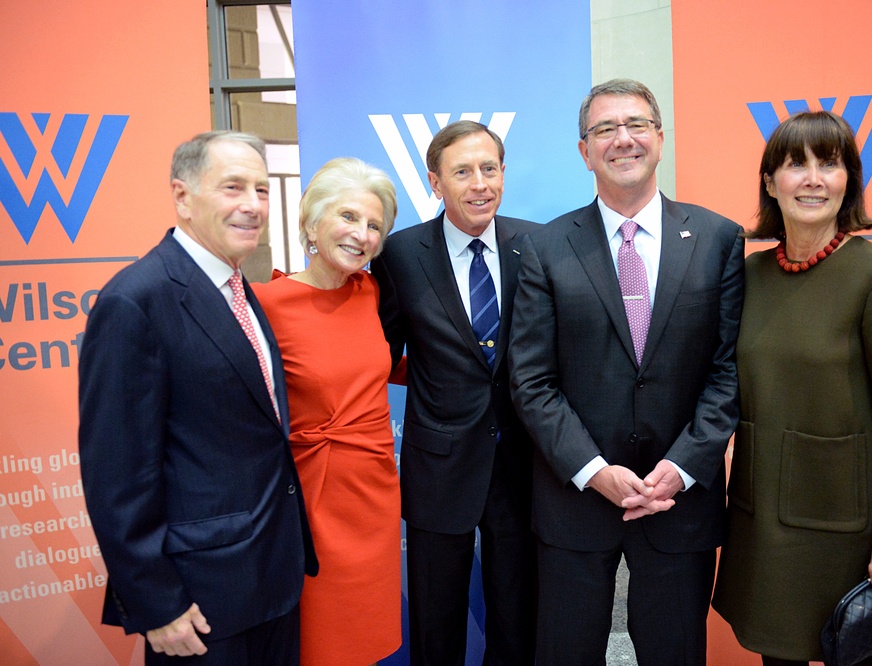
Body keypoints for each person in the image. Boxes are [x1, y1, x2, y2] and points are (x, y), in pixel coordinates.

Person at [508, 79, 744, 665]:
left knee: (675, 653)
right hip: (575, 499)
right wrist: (592, 471)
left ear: (660, 139)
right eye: (605, 129)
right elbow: (531, 381)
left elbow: (728, 371)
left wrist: (683, 467)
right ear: (584, 150)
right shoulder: (545, 247)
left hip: (678, 501)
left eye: (636, 124)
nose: (623, 139)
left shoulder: (718, 240)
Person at [78, 130, 318, 665]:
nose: (253, 205)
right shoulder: (135, 301)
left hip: (271, 579)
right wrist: (156, 603)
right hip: (198, 600)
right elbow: (116, 474)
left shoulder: (236, 287)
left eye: (261, 189)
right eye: (233, 187)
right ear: (182, 197)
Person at [712, 110, 872, 666]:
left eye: (829, 165)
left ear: (848, 180)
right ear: (769, 183)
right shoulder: (749, 276)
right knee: (776, 656)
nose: (812, 179)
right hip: (763, 521)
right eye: (795, 165)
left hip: (844, 530)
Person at [370, 120, 538, 665]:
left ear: (504, 175)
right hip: (438, 466)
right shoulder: (398, 255)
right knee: (435, 622)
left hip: (523, 465)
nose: (479, 183)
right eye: (462, 172)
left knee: (518, 619)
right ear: (435, 183)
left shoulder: (537, 245)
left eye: (489, 169)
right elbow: (376, 352)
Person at [252, 157, 401, 665]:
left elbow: (386, 365)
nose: (362, 235)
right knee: (318, 642)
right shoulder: (266, 304)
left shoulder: (369, 292)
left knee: (366, 639)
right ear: (312, 223)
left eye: (375, 225)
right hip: (310, 501)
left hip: (373, 495)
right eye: (348, 217)